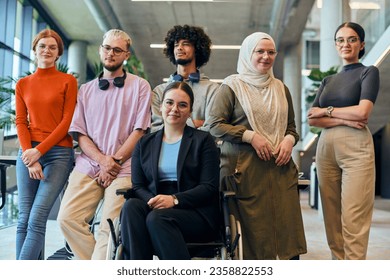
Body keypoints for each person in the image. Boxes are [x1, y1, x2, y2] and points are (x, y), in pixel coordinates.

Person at [207, 32, 307, 260]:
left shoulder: (281, 88)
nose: (266, 56)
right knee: (253, 239)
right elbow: (214, 125)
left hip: (280, 172)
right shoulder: (231, 86)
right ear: (247, 53)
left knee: (286, 236)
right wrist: (250, 136)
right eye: (259, 51)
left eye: (271, 52)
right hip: (245, 173)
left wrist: (289, 140)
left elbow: (291, 127)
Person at [57, 29, 152, 260]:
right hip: (90, 165)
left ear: (126, 55)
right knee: (67, 219)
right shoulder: (86, 90)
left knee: (108, 228)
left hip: (124, 167)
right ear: (101, 50)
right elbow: (80, 134)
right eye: (107, 48)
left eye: (117, 50)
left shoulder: (141, 86)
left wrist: (114, 162)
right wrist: (103, 162)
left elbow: (139, 131)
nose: (111, 53)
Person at [120, 81, 220, 260]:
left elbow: (209, 187)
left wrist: (174, 200)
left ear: (190, 111)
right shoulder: (145, 143)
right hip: (156, 202)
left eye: (182, 105)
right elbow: (138, 185)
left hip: (194, 212)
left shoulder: (203, 141)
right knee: (131, 207)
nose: (175, 109)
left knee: (157, 218)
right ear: (161, 106)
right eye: (169, 102)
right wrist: (152, 201)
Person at [307, 22, 380, 260]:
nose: (345, 44)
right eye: (340, 40)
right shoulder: (328, 80)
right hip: (326, 148)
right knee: (331, 217)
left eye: (351, 39)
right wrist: (345, 119)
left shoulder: (368, 72)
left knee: (353, 216)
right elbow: (312, 119)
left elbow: (362, 113)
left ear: (361, 44)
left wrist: (327, 111)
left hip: (356, 148)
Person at [14, 29, 78, 260]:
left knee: (37, 218)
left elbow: (66, 122)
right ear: (35, 50)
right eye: (42, 46)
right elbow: (21, 121)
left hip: (58, 153)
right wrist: (30, 156)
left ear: (58, 53)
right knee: (23, 219)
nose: (47, 50)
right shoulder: (23, 84)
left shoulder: (68, 81)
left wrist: (39, 151)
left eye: (52, 47)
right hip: (28, 153)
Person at [151, 24, 219, 132]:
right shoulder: (159, 91)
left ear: (197, 49)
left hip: (200, 149)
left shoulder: (212, 90)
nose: (179, 48)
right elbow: (156, 130)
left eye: (185, 44)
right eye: (176, 45)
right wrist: (195, 123)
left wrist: (172, 125)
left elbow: (212, 129)